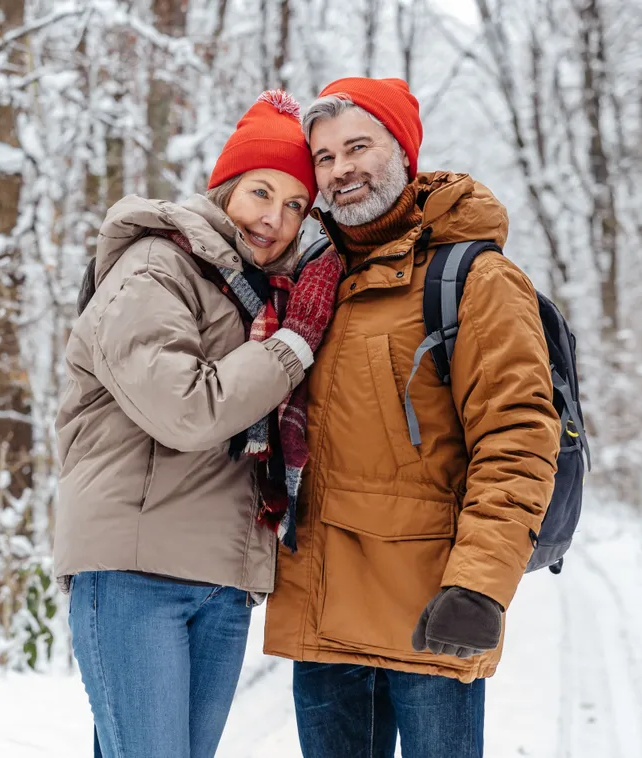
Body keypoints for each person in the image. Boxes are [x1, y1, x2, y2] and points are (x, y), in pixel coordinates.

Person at [261, 77, 562, 758]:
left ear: (402, 150)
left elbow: (515, 439)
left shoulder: (474, 280)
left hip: (430, 614)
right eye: (325, 157)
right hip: (322, 610)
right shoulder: (312, 282)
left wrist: (479, 586)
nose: (341, 170)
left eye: (357, 146)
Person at [53, 90, 343, 758]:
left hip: (220, 580)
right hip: (136, 573)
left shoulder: (257, 289)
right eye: (260, 193)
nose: (275, 218)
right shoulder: (156, 266)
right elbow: (185, 409)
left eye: (295, 205)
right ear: (223, 187)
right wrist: (292, 345)